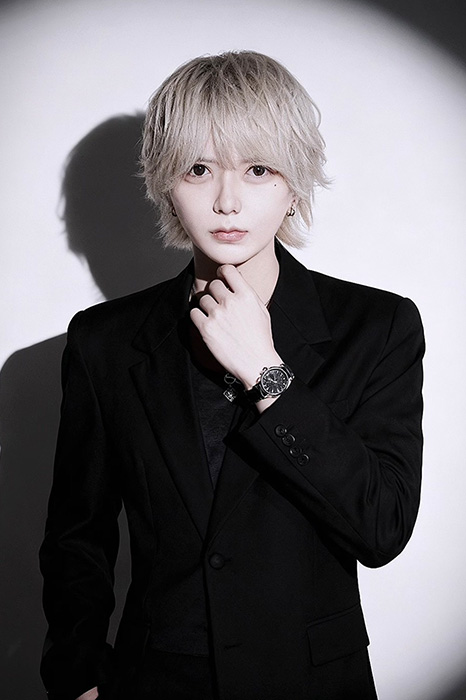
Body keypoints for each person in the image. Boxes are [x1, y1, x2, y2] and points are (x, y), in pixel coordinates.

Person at [40, 51, 424, 700]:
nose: (226, 200)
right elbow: (78, 537)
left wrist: (267, 373)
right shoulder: (104, 343)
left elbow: (381, 528)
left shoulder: (378, 327)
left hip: (311, 683)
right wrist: (78, 676)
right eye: (198, 169)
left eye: (258, 169)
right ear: (165, 182)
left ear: (295, 184)